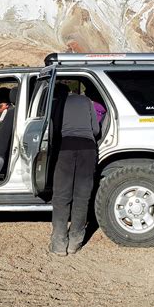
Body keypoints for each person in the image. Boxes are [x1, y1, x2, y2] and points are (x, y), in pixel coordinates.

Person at [50, 89, 100, 256]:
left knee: (61, 196)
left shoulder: (59, 102)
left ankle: (59, 243)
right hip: (88, 148)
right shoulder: (87, 101)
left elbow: (55, 128)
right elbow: (95, 129)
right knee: (82, 196)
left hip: (65, 148)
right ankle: (75, 242)